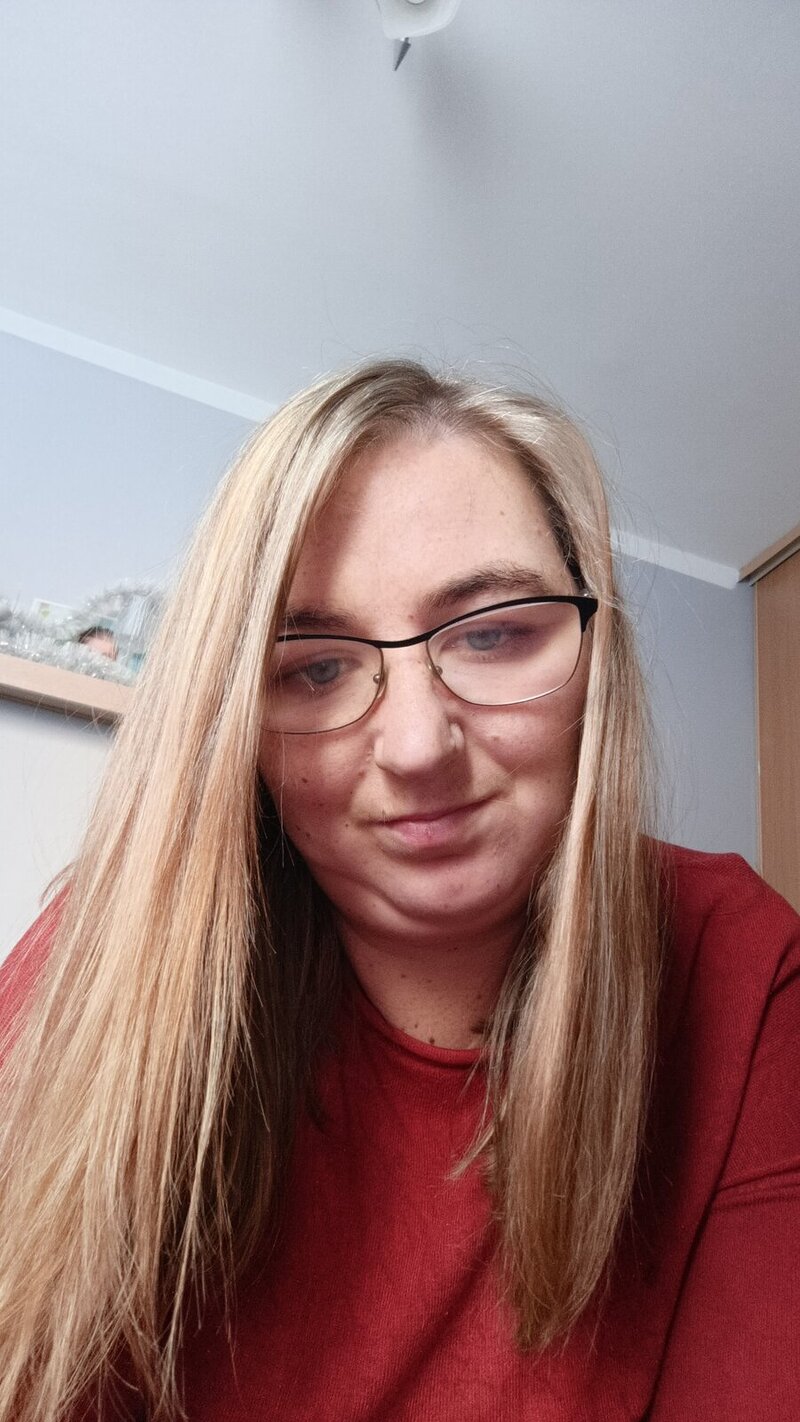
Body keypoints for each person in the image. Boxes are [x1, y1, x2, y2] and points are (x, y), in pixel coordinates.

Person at [0, 359, 798, 1422]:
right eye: (315, 668)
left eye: (494, 633)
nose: (418, 746)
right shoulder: (102, 972)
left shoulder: (737, 967)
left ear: (594, 657)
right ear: (238, 725)